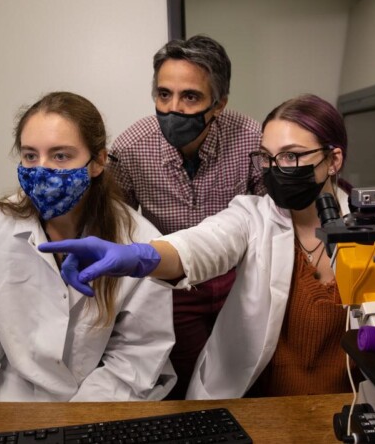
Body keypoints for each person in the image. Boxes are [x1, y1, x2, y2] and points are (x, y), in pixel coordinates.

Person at [39, 94, 375, 399]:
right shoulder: (253, 217)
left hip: (356, 404)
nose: (275, 169)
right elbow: (204, 243)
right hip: (262, 404)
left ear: (334, 160)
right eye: (267, 157)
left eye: (291, 156)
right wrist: (140, 257)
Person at [0, 92, 176, 425]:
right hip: (10, 403)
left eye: (60, 156)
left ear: (98, 162)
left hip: (104, 405)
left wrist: (79, 418)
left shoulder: (138, 241)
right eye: (30, 156)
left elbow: (138, 351)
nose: (41, 171)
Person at [107, 35, 264, 398]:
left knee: (247, 383)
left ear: (219, 103)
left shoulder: (252, 139)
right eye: (164, 94)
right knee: (187, 389)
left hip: (239, 283)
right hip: (171, 288)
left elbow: (273, 220)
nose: (173, 108)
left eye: (190, 96)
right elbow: (117, 223)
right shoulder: (131, 147)